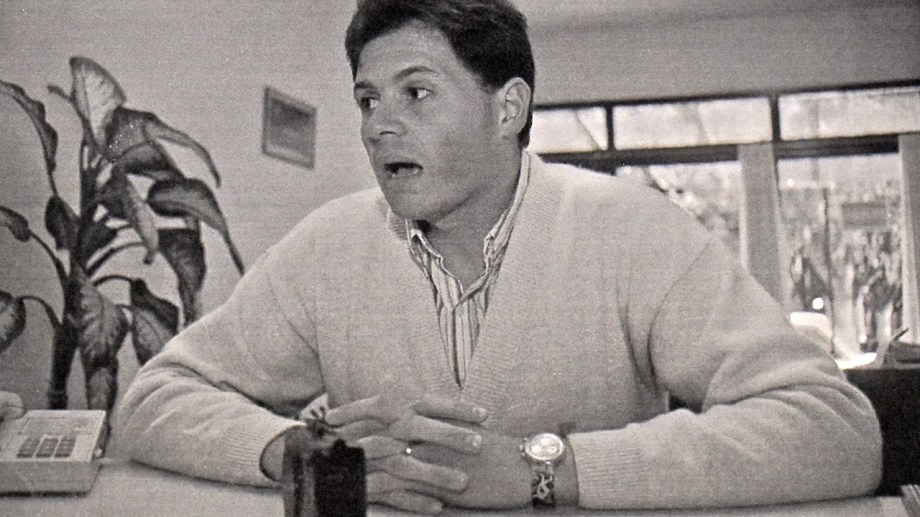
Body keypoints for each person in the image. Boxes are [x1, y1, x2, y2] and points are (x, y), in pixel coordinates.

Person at [115, 0, 881, 513]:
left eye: (416, 93)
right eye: (368, 99)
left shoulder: (635, 229)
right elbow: (154, 399)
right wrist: (290, 449)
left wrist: (545, 469)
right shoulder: (329, 245)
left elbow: (834, 428)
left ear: (507, 108)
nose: (378, 126)